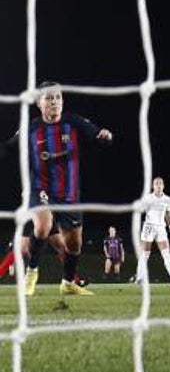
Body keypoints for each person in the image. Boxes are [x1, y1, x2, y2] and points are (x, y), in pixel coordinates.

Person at [0, 81, 113, 296]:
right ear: (38, 102)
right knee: (43, 226)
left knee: (73, 245)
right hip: (39, 189)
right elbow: (8, 147)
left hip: (70, 194)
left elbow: (97, 134)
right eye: (49, 98)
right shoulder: (31, 127)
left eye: (58, 97)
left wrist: (104, 137)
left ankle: (68, 283)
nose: (54, 102)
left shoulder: (73, 121)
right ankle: (32, 273)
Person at [134, 176, 170, 284]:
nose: (159, 185)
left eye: (160, 183)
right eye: (156, 183)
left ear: (163, 186)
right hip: (149, 227)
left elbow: (168, 214)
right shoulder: (148, 198)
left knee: (166, 254)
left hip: (161, 228)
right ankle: (139, 278)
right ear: (153, 186)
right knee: (145, 254)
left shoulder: (167, 199)